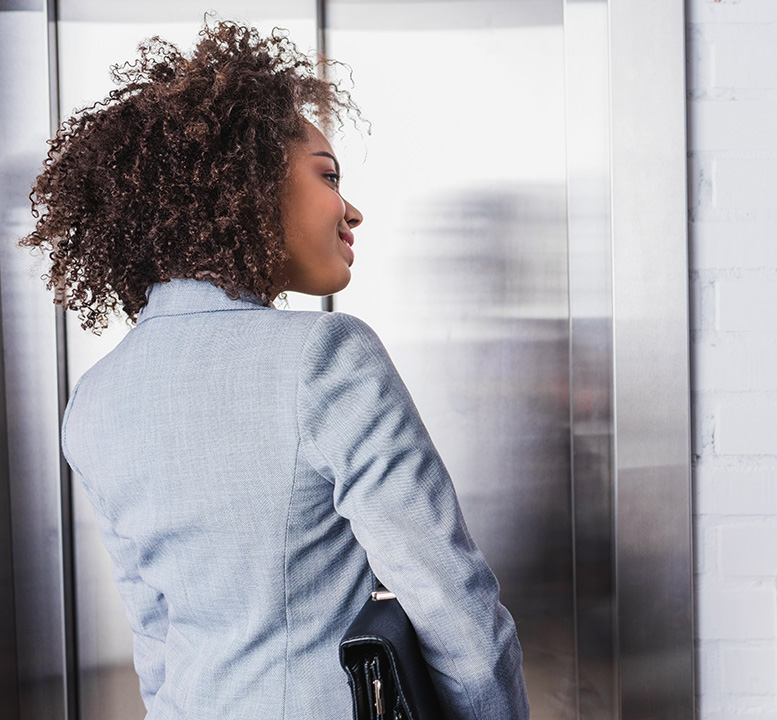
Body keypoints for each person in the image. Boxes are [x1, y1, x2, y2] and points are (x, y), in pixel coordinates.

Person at [20, 21, 529, 719]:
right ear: (248, 182)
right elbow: (452, 605)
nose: (351, 209)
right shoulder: (326, 355)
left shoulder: (95, 399)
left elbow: (156, 640)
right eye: (327, 175)